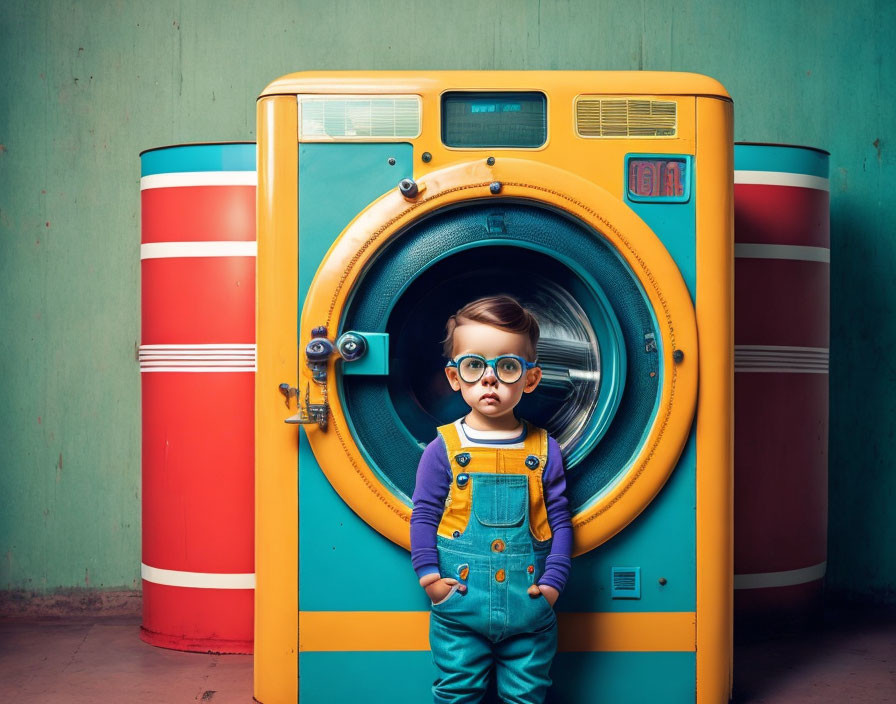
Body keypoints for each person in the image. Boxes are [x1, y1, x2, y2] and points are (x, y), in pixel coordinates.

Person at [410, 294, 573, 704]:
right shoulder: (443, 448)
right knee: (456, 693)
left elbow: (560, 520)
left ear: (530, 379)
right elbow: (424, 515)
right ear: (454, 377)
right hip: (460, 605)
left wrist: (553, 584)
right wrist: (430, 579)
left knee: (527, 694)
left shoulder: (546, 449)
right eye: (473, 365)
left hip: (529, 606)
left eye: (507, 366)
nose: (489, 379)